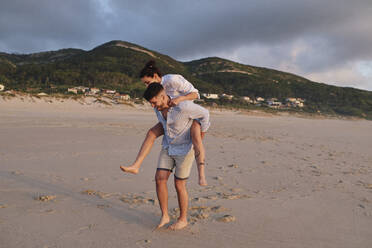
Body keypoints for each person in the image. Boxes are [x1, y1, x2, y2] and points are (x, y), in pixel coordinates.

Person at [123, 83, 210, 230]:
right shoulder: (158, 108)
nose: (152, 106)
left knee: (179, 184)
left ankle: (183, 219)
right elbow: (163, 125)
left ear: (162, 96)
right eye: (150, 103)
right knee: (159, 179)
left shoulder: (183, 107)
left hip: (184, 150)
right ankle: (165, 215)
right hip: (168, 146)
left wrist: (201, 133)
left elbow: (205, 114)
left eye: (154, 102)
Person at [121, 61, 208, 186]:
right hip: (170, 119)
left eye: (147, 82)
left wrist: (180, 99)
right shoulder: (155, 92)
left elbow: (196, 94)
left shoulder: (172, 80)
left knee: (196, 139)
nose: (146, 86)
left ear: (155, 76)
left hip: (187, 116)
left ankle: (201, 176)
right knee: (151, 133)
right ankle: (136, 166)